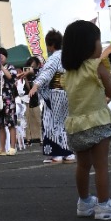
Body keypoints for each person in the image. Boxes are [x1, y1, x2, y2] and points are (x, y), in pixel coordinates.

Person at [60, 20, 111, 220]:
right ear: (89, 44)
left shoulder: (68, 73)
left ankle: (84, 202)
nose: (101, 45)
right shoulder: (97, 65)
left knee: (82, 165)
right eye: (98, 40)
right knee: (101, 165)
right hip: (96, 123)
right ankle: (104, 205)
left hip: (75, 125)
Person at [31, 30, 74, 163]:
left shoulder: (54, 57)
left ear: (51, 45)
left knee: (53, 123)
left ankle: (57, 154)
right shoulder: (68, 55)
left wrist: (35, 86)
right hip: (68, 92)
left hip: (55, 93)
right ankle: (68, 153)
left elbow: (47, 73)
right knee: (64, 123)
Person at [0, 48, 19, 155]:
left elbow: (11, 78)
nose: (0, 58)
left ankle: (12, 147)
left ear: (5, 57)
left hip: (8, 99)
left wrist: (1, 67)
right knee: (0, 124)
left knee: (11, 123)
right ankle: (2, 148)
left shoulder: (10, 67)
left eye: (1, 56)